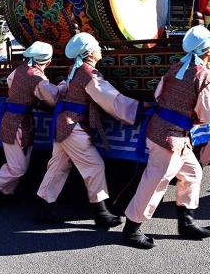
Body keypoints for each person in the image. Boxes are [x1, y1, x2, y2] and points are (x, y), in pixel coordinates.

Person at [122, 26, 210, 248]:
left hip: (164, 132)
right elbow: (205, 113)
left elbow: (158, 95)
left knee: (192, 172)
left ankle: (187, 222)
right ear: (207, 51)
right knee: (155, 181)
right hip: (171, 139)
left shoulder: (176, 67)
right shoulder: (205, 76)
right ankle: (131, 230)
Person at [35, 32, 138, 228]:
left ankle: (43, 207)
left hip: (63, 123)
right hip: (72, 125)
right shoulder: (88, 73)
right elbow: (109, 97)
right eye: (97, 47)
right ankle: (101, 213)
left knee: (58, 166)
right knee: (94, 165)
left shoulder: (75, 68)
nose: (100, 49)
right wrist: (137, 108)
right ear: (90, 52)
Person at [0, 41, 61, 207]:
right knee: (18, 166)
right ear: (48, 62)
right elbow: (52, 98)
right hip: (17, 123)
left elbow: (10, 83)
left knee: (20, 162)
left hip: (13, 119)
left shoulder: (18, 69)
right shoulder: (37, 77)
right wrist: (62, 87)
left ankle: (6, 193)